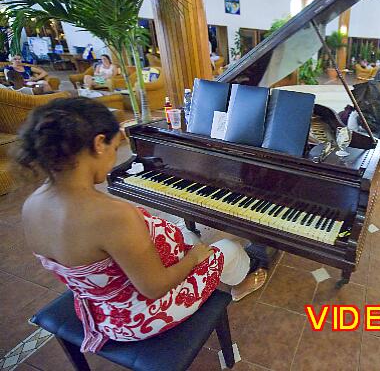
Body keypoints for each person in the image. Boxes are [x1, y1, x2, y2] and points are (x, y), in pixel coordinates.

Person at [15, 98, 267, 353]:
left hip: (96, 306)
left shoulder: (31, 205)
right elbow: (155, 288)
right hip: (139, 317)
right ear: (99, 143)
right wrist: (194, 257)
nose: (115, 157)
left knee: (187, 236)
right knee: (228, 248)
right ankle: (239, 286)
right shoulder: (111, 216)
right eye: (115, 146)